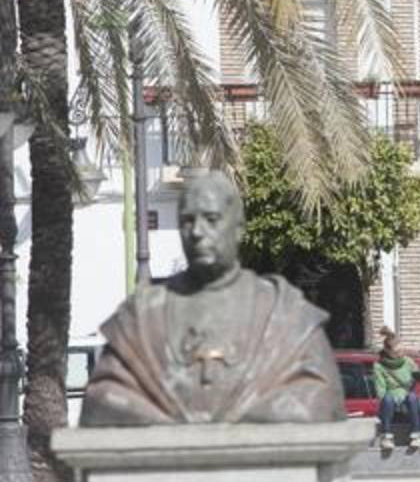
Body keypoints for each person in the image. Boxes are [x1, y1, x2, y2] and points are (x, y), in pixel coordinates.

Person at [82, 171, 343, 425]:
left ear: (239, 229)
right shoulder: (142, 317)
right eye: (187, 220)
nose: (196, 232)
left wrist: (252, 414)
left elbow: (321, 397)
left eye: (211, 219)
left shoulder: (285, 314)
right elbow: (102, 399)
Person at [372, 328, 420, 451]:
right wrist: (395, 398)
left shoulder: (408, 362)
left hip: (406, 403)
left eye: (402, 350)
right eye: (397, 352)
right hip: (390, 404)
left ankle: (416, 435)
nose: (401, 354)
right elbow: (381, 391)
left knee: (412, 397)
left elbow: (419, 377)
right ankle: (386, 436)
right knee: (388, 398)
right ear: (388, 352)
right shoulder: (379, 366)